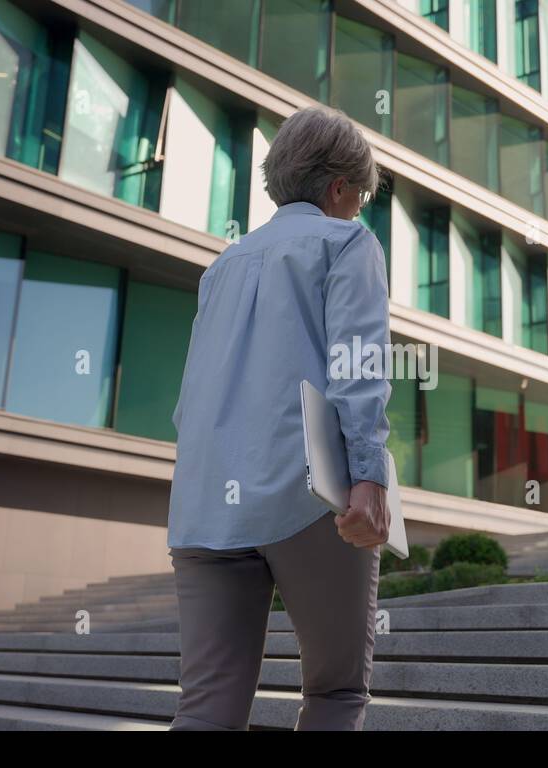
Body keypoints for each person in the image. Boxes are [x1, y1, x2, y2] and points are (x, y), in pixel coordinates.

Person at [165, 105, 392, 731]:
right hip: (309, 498)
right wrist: (368, 477)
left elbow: (190, 400)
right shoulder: (349, 242)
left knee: (206, 706)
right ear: (339, 187)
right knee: (337, 690)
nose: (357, 208)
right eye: (359, 196)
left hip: (204, 507)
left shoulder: (222, 266)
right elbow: (357, 366)